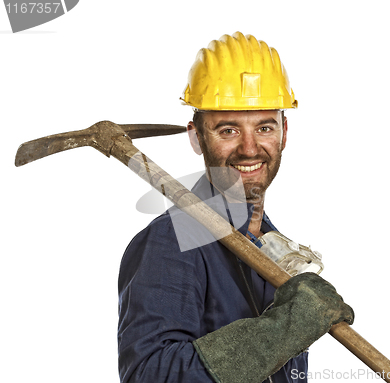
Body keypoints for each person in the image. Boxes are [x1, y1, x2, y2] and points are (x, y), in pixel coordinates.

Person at [117, 32, 354, 383]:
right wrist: (283, 330)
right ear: (197, 137)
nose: (249, 148)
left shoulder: (272, 245)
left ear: (284, 133)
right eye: (228, 130)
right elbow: (150, 375)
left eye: (264, 127)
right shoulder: (172, 240)